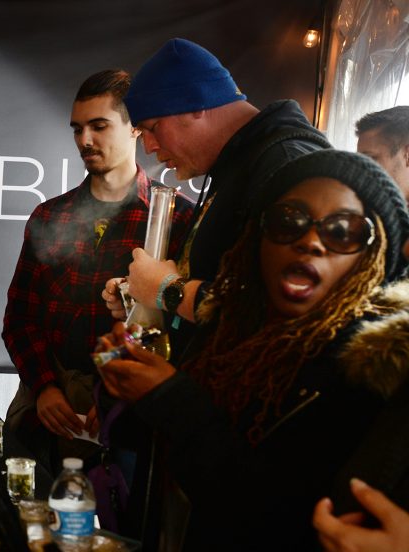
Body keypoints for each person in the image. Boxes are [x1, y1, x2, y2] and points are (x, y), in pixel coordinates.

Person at [95, 150, 409, 552]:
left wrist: (171, 399)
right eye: (289, 221)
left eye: (342, 231)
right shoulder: (240, 335)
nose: (310, 241)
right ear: (258, 238)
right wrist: (133, 383)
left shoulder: (368, 374)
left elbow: (279, 523)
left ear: (372, 257)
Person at [1, 69, 194, 475]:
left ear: (136, 129)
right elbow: (19, 318)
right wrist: (45, 388)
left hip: (130, 417)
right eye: (77, 129)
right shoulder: (49, 215)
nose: (85, 140)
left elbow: (180, 333)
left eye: (99, 126)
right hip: (45, 410)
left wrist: (112, 399)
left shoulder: (175, 221)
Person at [101, 38, 329, 332]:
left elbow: (293, 305)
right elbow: (223, 281)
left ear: (196, 103)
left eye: (151, 128)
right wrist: (144, 295)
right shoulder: (239, 163)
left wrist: (168, 290)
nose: (148, 147)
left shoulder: (286, 165)